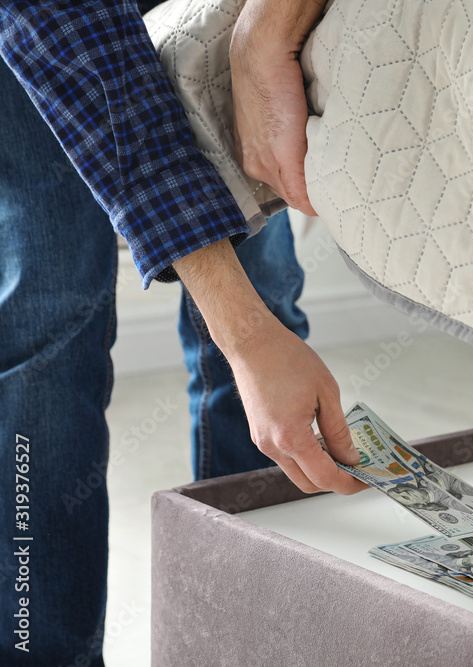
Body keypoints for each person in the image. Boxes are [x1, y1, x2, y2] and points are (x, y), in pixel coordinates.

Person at [0, 0, 364, 663]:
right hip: (52, 19)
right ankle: (39, 647)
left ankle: (252, 628)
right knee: (50, 322)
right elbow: (77, 36)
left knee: (264, 278)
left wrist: (263, 40)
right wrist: (246, 335)